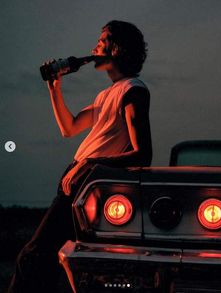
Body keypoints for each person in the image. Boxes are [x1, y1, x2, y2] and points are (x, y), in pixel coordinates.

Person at [8, 20, 152, 292]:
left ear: (117, 48)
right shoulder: (105, 95)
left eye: (101, 42)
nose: (94, 47)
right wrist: (54, 89)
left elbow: (142, 155)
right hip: (75, 179)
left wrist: (90, 163)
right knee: (54, 263)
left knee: (31, 257)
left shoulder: (134, 90)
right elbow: (69, 127)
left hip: (88, 182)